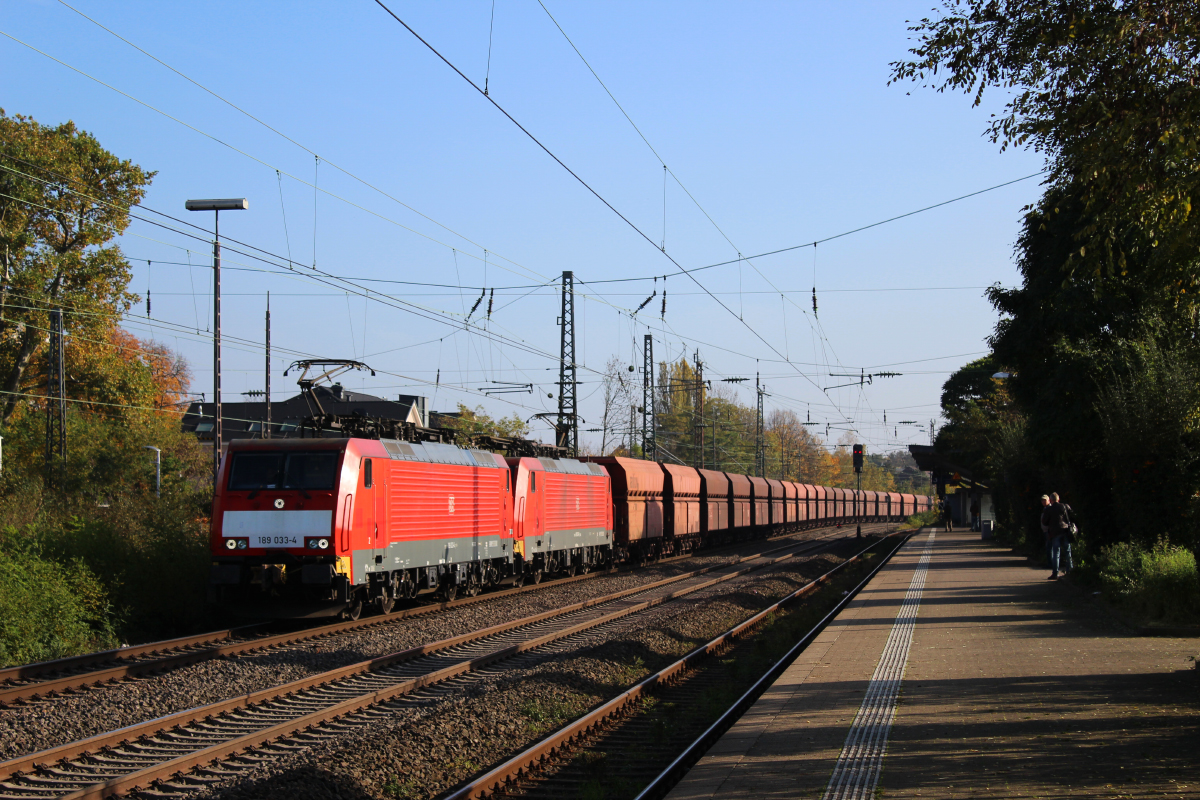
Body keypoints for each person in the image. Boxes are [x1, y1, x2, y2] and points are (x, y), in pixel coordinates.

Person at [1040, 491, 1075, 580]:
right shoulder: (1063, 506)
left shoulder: (1049, 509)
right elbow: (1068, 518)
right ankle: (1070, 571)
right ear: (1058, 499)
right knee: (1067, 551)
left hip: (1055, 532)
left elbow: (1044, 521)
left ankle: (1055, 573)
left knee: (1056, 553)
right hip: (1064, 531)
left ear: (1050, 500)